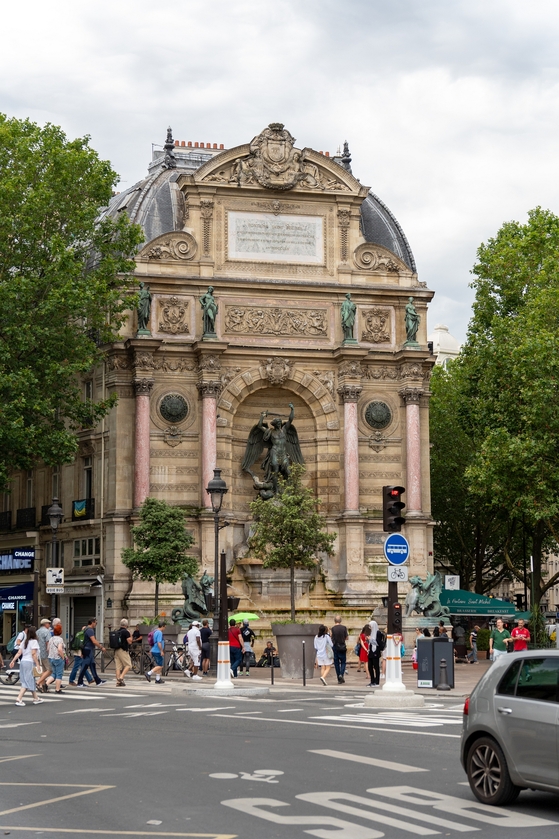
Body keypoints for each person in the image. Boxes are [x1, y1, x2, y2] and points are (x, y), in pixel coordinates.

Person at [9, 625, 44, 707]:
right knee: (28, 680)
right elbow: (34, 654)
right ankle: (19, 698)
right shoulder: (34, 642)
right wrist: (38, 664)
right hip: (30, 662)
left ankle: (35, 698)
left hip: (23, 662)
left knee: (29, 679)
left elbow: (19, 653)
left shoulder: (24, 641)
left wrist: (13, 661)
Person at [77, 618, 108, 687]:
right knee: (84, 666)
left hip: (86, 649)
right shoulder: (90, 630)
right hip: (88, 650)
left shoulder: (85, 629)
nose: (96, 625)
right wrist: (101, 647)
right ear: (92, 623)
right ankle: (80, 682)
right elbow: (94, 641)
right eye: (96, 623)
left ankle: (98, 681)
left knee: (92, 665)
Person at [45, 623, 66, 693]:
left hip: (51, 658)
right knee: (59, 674)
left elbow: (48, 649)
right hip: (58, 658)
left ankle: (46, 684)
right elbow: (60, 649)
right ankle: (57, 689)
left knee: (54, 673)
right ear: (60, 632)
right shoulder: (60, 639)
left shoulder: (51, 639)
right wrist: (63, 657)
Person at [145, 620, 166, 684]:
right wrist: (161, 651)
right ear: (162, 626)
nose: (165, 629)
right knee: (161, 666)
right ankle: (149, 673)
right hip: (157, 651)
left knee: (159, 665)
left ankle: (158, 679)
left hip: (154, 649)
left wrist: (151, 649)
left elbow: (153, 642)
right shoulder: (159, 632)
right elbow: (159, 642)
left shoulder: (155, 631)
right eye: (164, 627)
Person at [36, 618, 53, 693]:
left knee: (44, 671)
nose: (49, 625)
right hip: (45, 653)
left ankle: (43, 688)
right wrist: (49, 652)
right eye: (49, 623)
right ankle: (38, 682)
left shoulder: (37, 631)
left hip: (38, 653)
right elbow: (48, 642)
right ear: (45, 624)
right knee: (50, 670)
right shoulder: (47, 631)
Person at [330, 615, 348, 685]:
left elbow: (332, 637)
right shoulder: (344, 628)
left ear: (335, 621)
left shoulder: (333, 628)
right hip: (342, 646)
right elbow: (346, 637)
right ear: (340, 621)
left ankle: (338, 678)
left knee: (336, 663)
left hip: (335, 647)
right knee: (343, 662)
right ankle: (341, 674)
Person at [115, 618, 132, 687]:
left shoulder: (117, 631)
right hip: (123, 650)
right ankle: (121, 678)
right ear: (127, 625)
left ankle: (118, 682)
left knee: (118, 667)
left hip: (116, 650)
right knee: (128, 665)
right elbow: (130, 642)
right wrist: (130, 635)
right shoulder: (126, 632)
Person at [367, 620, 382, 687]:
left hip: (376, 651)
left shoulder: (378, 633)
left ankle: (377, 682)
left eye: (371, 626)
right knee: (370, 666)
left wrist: (371, 639)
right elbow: (369, 643)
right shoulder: (370, 633)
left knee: (376, 667)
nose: (370, 628)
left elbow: (378, 643)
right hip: (370, 651)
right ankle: (372, 681)